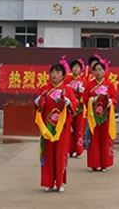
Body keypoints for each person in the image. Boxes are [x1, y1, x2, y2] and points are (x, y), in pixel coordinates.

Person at [34, 63, 78, 192]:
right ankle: (48, 182)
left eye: (58, 73)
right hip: (47, 128)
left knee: (60, 154)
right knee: (47, 154)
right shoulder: (44, 89)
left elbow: (74, 106)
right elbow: (39, 107)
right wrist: (37, 103)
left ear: (63, 75)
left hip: (62, 128)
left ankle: (59, 182)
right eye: (53, 72)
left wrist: (70, 104)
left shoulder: (67, 89)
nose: (55, 75)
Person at [84, 59, 117, 171]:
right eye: (95, 70)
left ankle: (104, 164)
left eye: (100, 70)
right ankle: (94, 163)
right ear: (92, 72)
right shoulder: (89, 85)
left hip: (106, 116)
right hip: (93, 116)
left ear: (104, 71)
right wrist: (91, 100)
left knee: (104, 138)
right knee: (93, 139)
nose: (98, 72)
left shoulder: (109, 85)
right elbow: (84, 99)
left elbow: (114, 98)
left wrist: (111, 101)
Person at [64, 58, 88, 158]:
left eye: (77, 67)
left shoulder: (84, 81)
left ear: (81, 69)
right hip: (69, 108)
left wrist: (82, 92)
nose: (75, 69)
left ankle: (78, 150)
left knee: (79, 130)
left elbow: (87, 95)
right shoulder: (67, 80)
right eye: (74, 67)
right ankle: (69, 150)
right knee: (69, 129)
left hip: (80, 109)